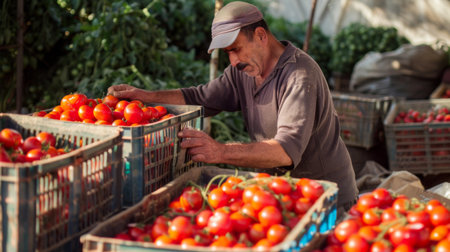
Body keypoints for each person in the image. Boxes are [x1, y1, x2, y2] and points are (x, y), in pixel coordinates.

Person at [108, 1, 358, 213]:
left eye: (236, 49)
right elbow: (201, 97)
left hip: (327, 197)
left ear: (261, 35)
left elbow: (285, 151)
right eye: (228, 52)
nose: (234, 60)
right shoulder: (244, 72)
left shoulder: (299, 75)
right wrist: (145, 96)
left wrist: (220, 151)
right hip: (286, 193)